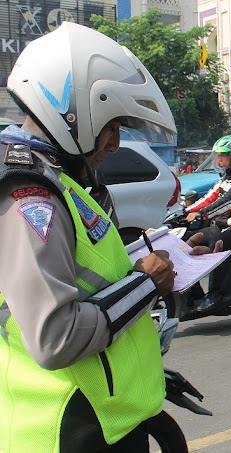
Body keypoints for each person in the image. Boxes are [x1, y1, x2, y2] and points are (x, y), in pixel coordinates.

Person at [0, 23, 209, 453]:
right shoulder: (30, 196)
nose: (114, 143)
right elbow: (55, 336)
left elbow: (90, 270)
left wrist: (167, 255)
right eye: (111, 125)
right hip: (68, 430)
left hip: (102, 420)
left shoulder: (61, 181)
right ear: (74, 109)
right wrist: (145, 283)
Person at [184, 135, 231, 311]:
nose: (219, 159)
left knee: (218, 245)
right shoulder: (226, 177)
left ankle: (214, 294)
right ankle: (194, 292)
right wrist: (186, 212)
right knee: (184, 240)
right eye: (218, 155)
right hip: (221, 226)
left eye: (224, 155)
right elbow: (210, 197)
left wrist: (202, 214)